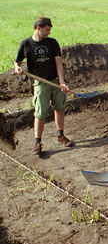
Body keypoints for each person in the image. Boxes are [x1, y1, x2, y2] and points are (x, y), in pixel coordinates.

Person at [14, 17, 73, 155]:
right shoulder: (26, 44)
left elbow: (58, 63)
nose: (49, 32)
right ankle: (38, 143)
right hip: (40, 83)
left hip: (54, 81)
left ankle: (61, 136)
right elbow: (17, 62)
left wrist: (62, 81)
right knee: (40, 114)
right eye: (47, 29)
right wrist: (17, 68)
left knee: (59, 108)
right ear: (38, 28)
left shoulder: (52, 43)